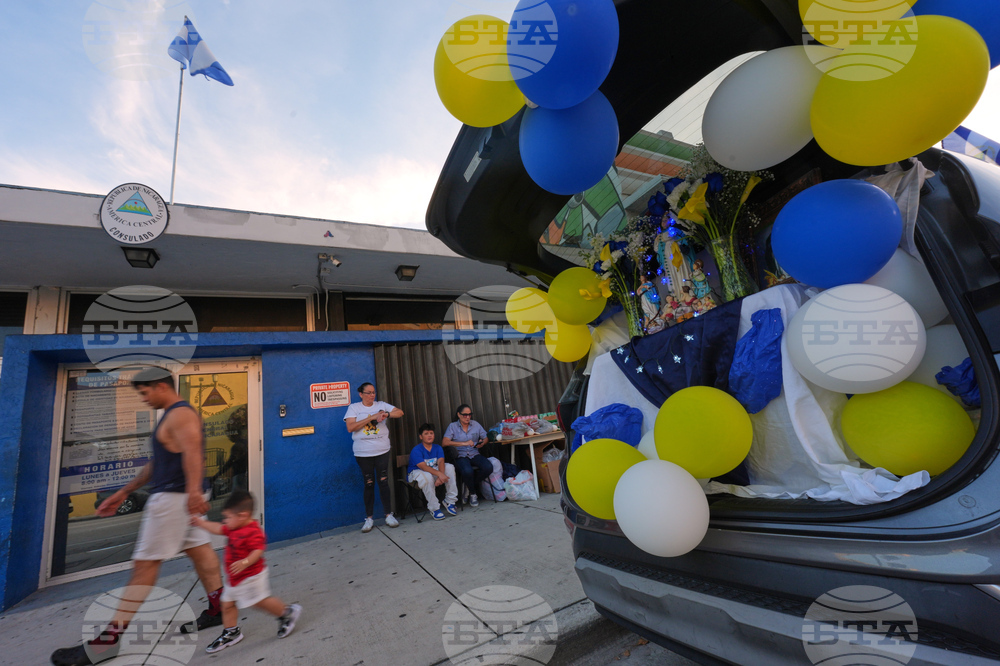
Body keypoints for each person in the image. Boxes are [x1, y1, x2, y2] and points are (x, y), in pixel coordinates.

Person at [51, 367, 224, 666]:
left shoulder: (179, 414)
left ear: (160, 386)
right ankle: (218, 608)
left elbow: (194, 452)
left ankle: (106, 644)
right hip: (181, 496)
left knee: (144, 567)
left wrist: (194, 490)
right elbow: (157, 464)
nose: (143, 399)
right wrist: (122, 492)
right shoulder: (171, 416)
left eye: (144, 393)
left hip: (174, 499)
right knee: (200, 551)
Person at [191, 491, 302, 653]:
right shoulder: (233, 527)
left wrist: (245, 562)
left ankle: (287, 613)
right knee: (227, 604)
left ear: (242, 515)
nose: (225, 521)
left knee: (260, 602)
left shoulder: (252, 531)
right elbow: (217, 528)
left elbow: (258, 550)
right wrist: (200, 523)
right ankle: (231, 632)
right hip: (235, 578)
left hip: (251, 577)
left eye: (228, 517)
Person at [343, 382, 403, 533]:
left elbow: (400, 412)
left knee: (383, 482)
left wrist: (386, 414)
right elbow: (351, 427)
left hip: (382, 451)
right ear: (361, 394)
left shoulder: (381, 404)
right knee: (369, 483)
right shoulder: (354, 408)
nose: (372, 395)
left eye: (373, 392)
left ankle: (388, 515)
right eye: (368, 393)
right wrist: (371, 418)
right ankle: (369, 518)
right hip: (363, 454)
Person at [441, 404, 492, 507]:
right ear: (459, 415)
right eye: (465, 415)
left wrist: (483, 442)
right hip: (460, 455)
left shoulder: (475, 424)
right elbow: (444, 442)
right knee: (467, 471)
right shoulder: (453, 426)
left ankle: (468, 486)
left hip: (474, 453)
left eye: (469, 414)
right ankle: (473, 494)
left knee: (488, 467)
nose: (468, 417)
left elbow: (486, 436)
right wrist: (463, 443)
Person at [407, 423, 458, 520]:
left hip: (433, 472)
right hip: (416, 473)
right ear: (421, 436)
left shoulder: (437, 447)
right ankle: (434, 508)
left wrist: (440, 476)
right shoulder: (416, 450)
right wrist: (439, 474)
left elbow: (441, 461)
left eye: (431, 433)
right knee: (427, 476)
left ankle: (450, 501)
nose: (429, 435)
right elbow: (423, 467)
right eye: (426, 433)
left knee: (450, 467)